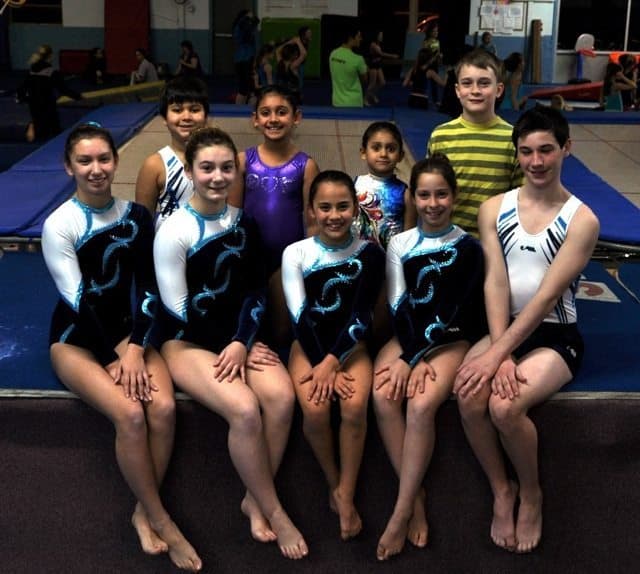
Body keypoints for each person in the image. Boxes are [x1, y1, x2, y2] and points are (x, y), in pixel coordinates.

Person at [41, 123, 202, 572]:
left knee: (164, 409)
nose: (96, 169)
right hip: (75, 339)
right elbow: (76, 302)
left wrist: (134, 348)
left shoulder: (137, 217)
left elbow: (152, 289)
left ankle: (141, 509)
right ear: (68, 166)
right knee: (130, 414)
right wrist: (112, 359)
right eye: (85, 161)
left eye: (104, 159)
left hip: (127, 335)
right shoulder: (60, 224)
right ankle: (162, 519)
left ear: (117, 161)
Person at [153, 126, 309, 560]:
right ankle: (274, 509)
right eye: (207, 168)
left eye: (226, 168)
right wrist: (233, 341)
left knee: (280, 396)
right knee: (243, 408)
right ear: (189, 170)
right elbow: (176, 308)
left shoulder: (244, 224)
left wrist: (243, 340)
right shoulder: (174, 230)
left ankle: (251, 497)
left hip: (235, 339)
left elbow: (256, 291)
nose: (218, 177)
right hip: (186, 343)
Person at [453, 106, 600, 554]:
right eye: (527, 152)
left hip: (556, 335)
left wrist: (499, 356)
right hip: (504, 328)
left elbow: (546, 298)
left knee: (504, 408)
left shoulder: (582, 220)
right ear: (517, 155)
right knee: (467, 393)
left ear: (566, 149)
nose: (536, 162)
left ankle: (531, 492)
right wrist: (499, 348)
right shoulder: (494, 208)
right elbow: (495, 280)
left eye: (546, 151)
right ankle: (502, 489)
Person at [373, 153, 486, 561]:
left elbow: (453, 309)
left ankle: (400, 512)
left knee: (420, 406)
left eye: (441, 195)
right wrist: (408, 353)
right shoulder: (400, 244)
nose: (433, 203)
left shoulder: (469, 248)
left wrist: (416, 355)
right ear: (412, 199)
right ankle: (415, 498)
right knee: (384, 393)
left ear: (454, 197)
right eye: (424, 195)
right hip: (409, 337)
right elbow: (400, 304)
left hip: (453, 338)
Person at [282, 169, 386, 541]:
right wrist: (320, 360)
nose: (334, 215)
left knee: (355, 407)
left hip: (351, 346)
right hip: (307, 345)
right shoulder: (296, 253)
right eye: (324, 207)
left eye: (343, 206)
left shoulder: (370, 254)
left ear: (356, 207)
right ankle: (334, 483)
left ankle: (348, 490)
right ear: (311, 210)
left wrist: (333, 361)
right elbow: (298, 315)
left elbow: (361, 315)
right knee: (314, 409)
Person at [228, 85, 320, 348]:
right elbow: (233, 216)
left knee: (280, 328)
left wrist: (309, 264)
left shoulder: (306, 165)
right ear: (255, 119)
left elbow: (312, 220)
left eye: (282, 112)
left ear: (296, 117)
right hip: (250, 256)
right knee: (250, 321)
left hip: (287, 259)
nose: (273, 119)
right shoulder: (244, 160)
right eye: (265, 113)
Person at [427, 48, 523, 236]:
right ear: (457, 90)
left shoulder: (513, 138)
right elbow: (431, 189)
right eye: (467, 83)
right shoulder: (441, 136)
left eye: (484, 83)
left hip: (495, 241)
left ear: (499, 90)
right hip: (447, 238)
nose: (475, 91)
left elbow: (521, 196)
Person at [135, 76, 209, 230]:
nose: (186, 117)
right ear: (164, 117)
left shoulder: (222, 161)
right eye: (177, 110)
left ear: (206, 116)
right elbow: (143, 224)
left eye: (194, 110)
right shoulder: (154, 165)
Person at [353, 121, 415, 249]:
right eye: (376, 148)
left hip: (390, 261)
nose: (383, 154)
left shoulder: (405, 193)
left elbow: (409, 238)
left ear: (400, 156)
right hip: (357, 258)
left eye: (391, 149)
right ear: (363, 152)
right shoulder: (354, 186)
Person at [16, 44, 81, 142]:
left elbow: (23, 86)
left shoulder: (32, 71)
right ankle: (34, 127)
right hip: (47, 103)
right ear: (50, 56)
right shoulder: (51, 72)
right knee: (54, 128)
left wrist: (21, 98)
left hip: (33, 102)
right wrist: (78, 96)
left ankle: (33, 126)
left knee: (40, 128)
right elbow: (63, 89)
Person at [329, 23, 368, 107]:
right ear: (351, 38)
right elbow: (365, 81)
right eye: (359, 36)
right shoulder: (358, 59)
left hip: (337, 102)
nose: (361, 39)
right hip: (354, 103)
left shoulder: (333, 54)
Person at [232, 9, 259, 104]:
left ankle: (243, 107)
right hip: (244, 59)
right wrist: (248, 17)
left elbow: (256, 22)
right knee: (246, 88)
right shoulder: (242, 24)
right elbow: (253, 22)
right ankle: (240, 108)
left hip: (246, 58)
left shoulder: (245, 26)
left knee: (246, 87)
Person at [365, 31, 400, 106]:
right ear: (376, 36)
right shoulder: (373, 44)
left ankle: (372, 94)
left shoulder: (378, 44)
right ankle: (365, 99)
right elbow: (381, 54)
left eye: (382, 35)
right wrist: (392, 56)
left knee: (382, 82)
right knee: (372, 83)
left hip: (378, 65)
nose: (381, 37)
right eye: (380, 35)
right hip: (373, 65)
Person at [276, 26, 312, 93]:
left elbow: (278, 50)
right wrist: (297, 42)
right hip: (292, 92)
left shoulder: (280, 62)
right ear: (292, 56)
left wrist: (289, 42)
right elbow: (303, 54)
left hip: (282, 91)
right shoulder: (293, 66)